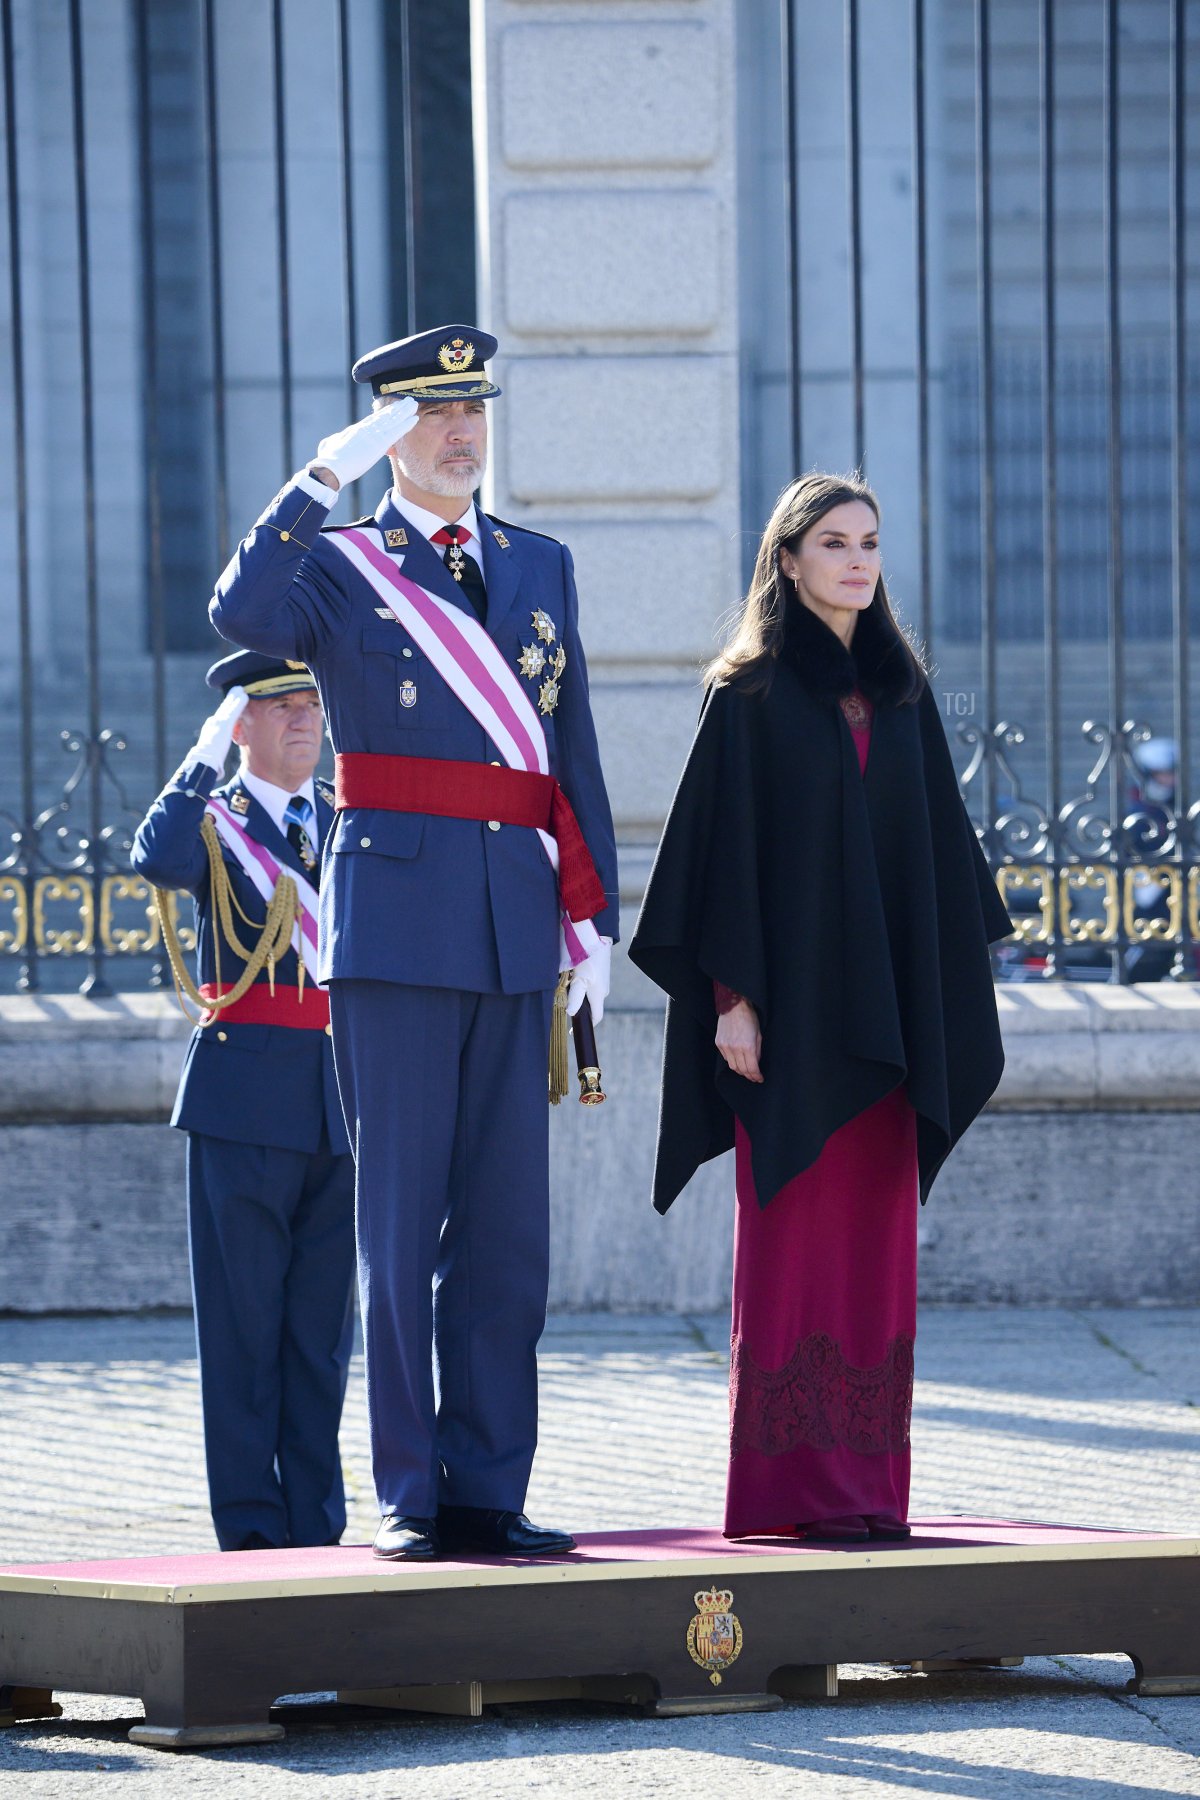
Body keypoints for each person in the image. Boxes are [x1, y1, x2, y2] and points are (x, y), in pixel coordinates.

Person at [208, 325, 618, 1562]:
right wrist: (319, 479)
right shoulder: (339, 565)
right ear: (391, 432)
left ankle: (490, 1484)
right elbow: (240, 610)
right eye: (432, 415)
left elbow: (570, 746)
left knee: (505, 1230)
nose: (459, 432)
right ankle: (411, 1495)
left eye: (473, 410)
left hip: (511, 923)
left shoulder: (538, 562)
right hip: (392, 924)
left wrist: (592, 915)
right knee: (398, 1223)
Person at [628, 473, 1012, 1544]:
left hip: (890, 1037)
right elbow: (718, 869)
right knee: (793, 1248)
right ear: (787, 560)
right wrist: (732, 1005)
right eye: (833, 542)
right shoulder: (746, 694)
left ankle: (867, 1494)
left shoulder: (902, 695)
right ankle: (788, 1497)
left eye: (871, 543)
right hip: (790, 1031)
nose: (856, 560)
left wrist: (941, 1013)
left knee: (876, 1258)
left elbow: (933, 867)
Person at [131, 652, 355, 1552]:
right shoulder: (214, 826)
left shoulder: (350, 814)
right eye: (281, 708)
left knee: (319, 1338)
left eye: (313, 704)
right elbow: (155, 857)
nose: (305, 720)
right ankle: (254, 1538)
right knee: (244, 1334)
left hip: (341, 1098)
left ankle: (316, 1529)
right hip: (244, 1099)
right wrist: (203, 757)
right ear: (244, 726)